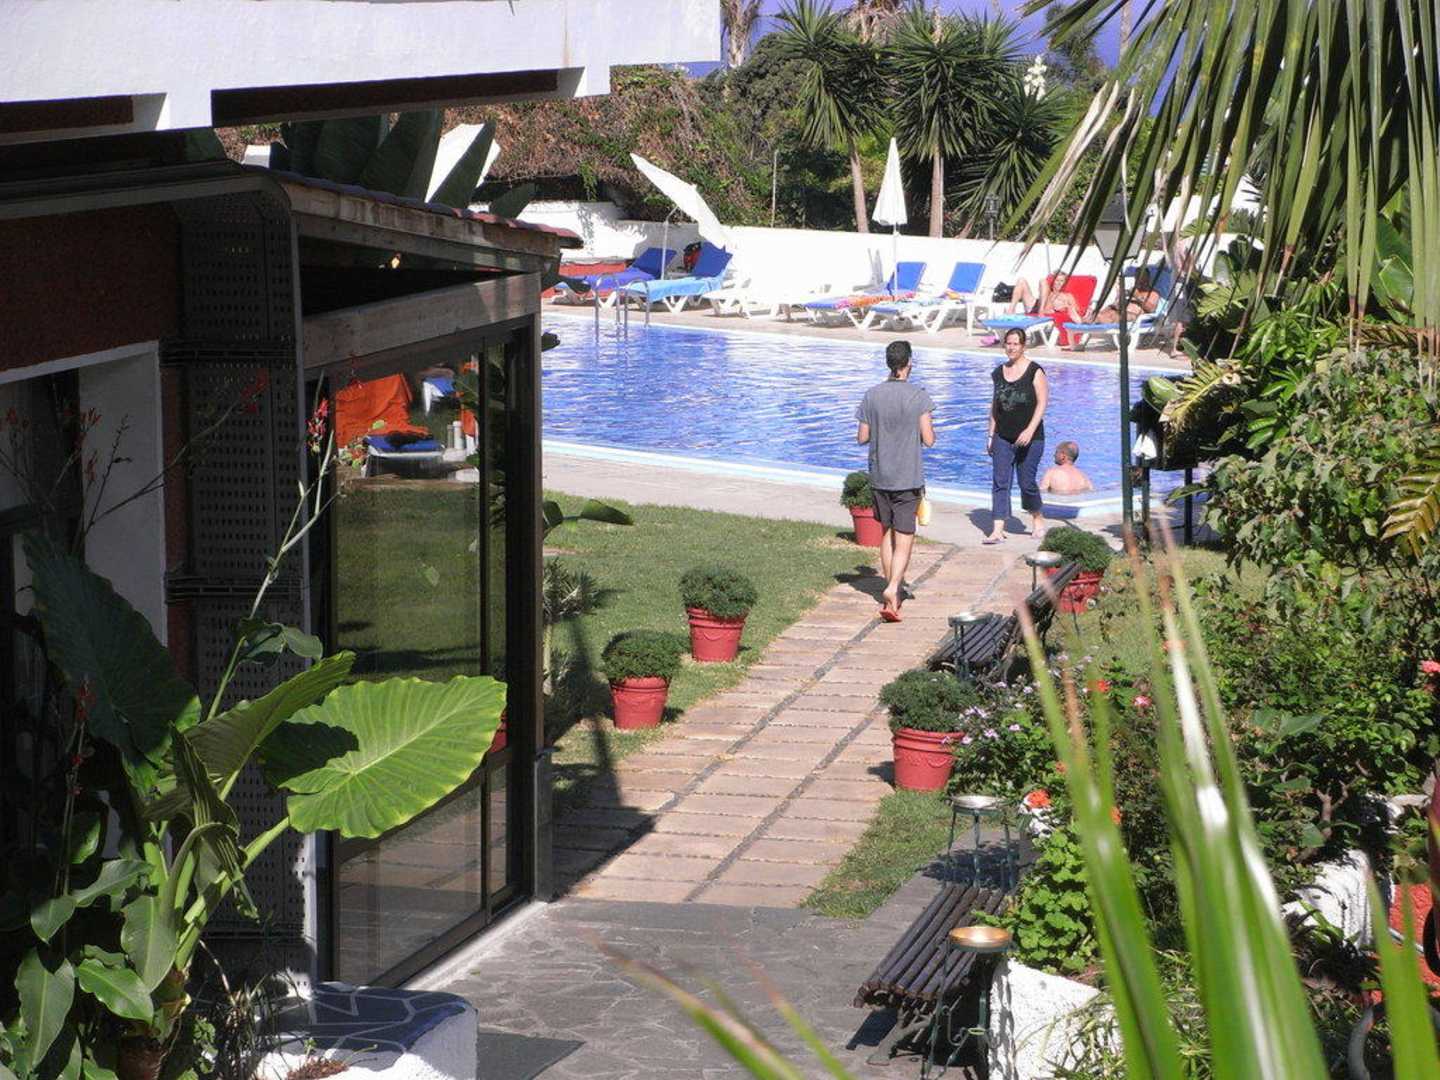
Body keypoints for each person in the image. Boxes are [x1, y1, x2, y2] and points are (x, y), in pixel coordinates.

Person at [856, 340, 936, 621]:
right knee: (905, 537)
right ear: (909, 362)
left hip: (880, 476)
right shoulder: (919, 397)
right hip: (907, 477)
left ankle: (892, 595)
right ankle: (893, 587)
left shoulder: (872, 395)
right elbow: (929, 439)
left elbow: (862, 437)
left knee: (887, 532)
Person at [986, 327, 1048, 543]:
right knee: (1000, 481)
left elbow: (1042, 403)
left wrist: (1030, 430)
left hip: (1031, 437)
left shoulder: (1035, 371)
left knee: (1026, 482)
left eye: (1015, 344)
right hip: (1003, 435)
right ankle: (997, 529)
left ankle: (1037, 518)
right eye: (1008, 343)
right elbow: (995, 406)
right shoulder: (998, 372)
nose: (1011, 348)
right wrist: (990, 435)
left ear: (1023, 346)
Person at [1007, 270, 1084, 321]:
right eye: (1057, 280)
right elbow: (1043, 288)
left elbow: (1077, 309)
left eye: (1061, 281)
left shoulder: (1067, 296)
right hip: (1036, 305)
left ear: (1064, 282)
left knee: (1043, 282)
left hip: (1045, 310)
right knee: (1022, 280)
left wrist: (1065, 307)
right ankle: (1011, 310)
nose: (1059, 283)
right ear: (1053, 281)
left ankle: (1041, 311)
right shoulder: (1048, 291)